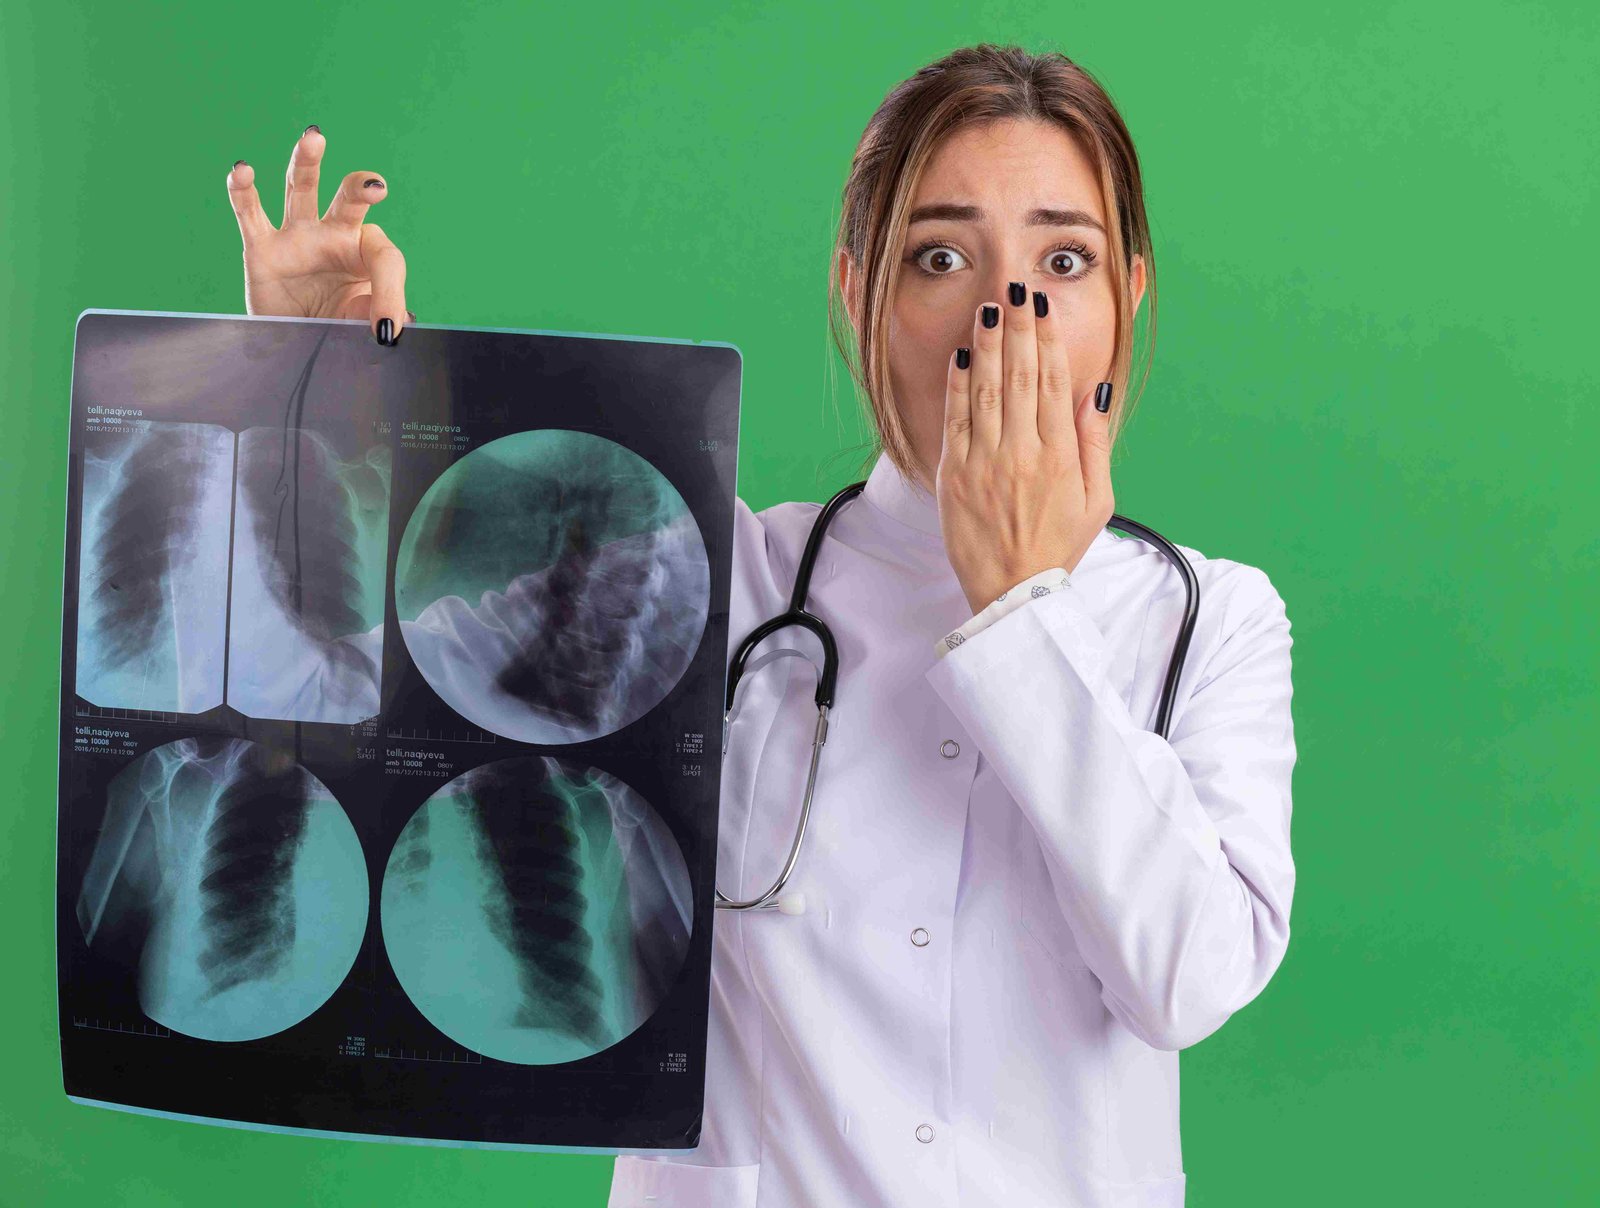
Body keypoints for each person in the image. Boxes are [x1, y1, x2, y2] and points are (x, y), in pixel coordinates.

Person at [224, 41, 1297, 1208]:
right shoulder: (718, 569)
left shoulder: (1212, 617)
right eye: (941, 255)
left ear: (1128, 297)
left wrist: (1024, 604)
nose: (1005, 314)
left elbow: (1185, 980)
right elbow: (353, 672)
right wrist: (319, 388)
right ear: (861, 292)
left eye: (1063, 260)